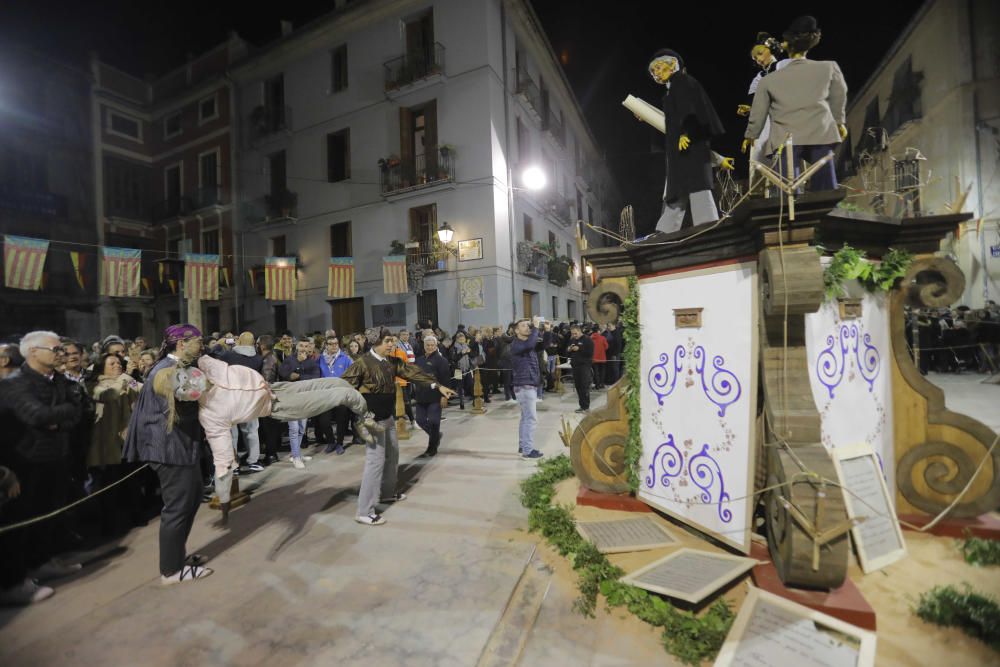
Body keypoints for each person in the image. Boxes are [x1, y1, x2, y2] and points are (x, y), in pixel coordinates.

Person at [122, 324, 212, 585]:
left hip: (182, 446)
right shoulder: (165, 370)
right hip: (169, 448)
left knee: (192, 498)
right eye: (197, 341)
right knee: (178, 507)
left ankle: (177, 557)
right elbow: (192, 395)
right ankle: (171, 571)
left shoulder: (176, 368)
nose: (201, 346)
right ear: (181, 344)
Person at [0, 331, 85, 605]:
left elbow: (78, 411)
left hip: (57, 456)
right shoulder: (15, 383)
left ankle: (42, 562)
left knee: (50, 513)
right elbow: (36, 414)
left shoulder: (59, 380)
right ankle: (13, 582)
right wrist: (62, 414)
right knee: (23, 521)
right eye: (55, 348)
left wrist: (57, 421)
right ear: (33, 352)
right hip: (27, 462)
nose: (60, 353)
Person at [341, 330, 454, 525]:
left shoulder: (392, 362)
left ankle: (387, 493)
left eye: (392, 342)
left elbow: (414, 373)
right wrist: (360, 415)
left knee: (392, 454)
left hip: (388, 418)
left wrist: (437, 386)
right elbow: (343, 388)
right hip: (372, 421)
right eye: (387, 342)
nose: (392, 345)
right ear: (375, 342)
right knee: (374, 462)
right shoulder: (362, 363)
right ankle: (364, 510)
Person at [743, 16, 847, 192]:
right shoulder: (829, 67)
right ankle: (826, 204)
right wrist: (839, 121)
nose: (758, 60)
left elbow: (759, 110)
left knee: (787, 185)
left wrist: (751, 133)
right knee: (825, 182)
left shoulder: (768, 80)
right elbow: (839, 93)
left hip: (786, 135)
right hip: (818, 130)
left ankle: (790, 205)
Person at [647, 48, 730, 234]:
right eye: (653, 72)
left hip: (690, 145)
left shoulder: (681, 82)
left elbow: (690, 110)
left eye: (659, 68)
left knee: (696, 186)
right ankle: (666, 230)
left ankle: (707, 226)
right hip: (682, 149)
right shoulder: (672, 90)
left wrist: (687, 133)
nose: (656, 74)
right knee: (679, 188)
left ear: (672, 64)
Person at [221, 332, 265, 473]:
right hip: (250, 399)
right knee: (252, 431)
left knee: (232, 433)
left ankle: (234, 465)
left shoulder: (228, 356)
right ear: (253, 343)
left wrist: (221, 344)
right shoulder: (258, 359)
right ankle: (254, 461)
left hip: (231, 398)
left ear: (238, 341)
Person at [278, 340, 321, 469]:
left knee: (302, 428)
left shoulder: (312, 362)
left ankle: (296, 454)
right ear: (297, 346)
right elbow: (285, 375)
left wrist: (298, 375)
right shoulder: (289, 360)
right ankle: (296, 457)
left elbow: (315, 377)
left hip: (305, 398)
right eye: (301, 345)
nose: (303, 348)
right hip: (291, 398)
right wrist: (300, 368)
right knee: (294, 428)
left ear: (309, 348)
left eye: (306, 346)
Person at [413, 335, 452, 457]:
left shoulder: (442, 361)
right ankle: (436, 436)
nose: (430, 347)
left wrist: (444, 397)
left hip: (435, 397)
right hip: (421, 396)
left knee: (434, 422)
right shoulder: (418, 360)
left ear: (436, 346)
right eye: (427, 345)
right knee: (420, 420)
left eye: (432, 345)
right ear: (424, 346)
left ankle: (432, 448)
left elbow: (446, 380)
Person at [510, 319, 544, 459]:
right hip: (524, 385)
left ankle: (523, 445)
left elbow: (543, 345)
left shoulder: (526, 344)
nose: (527, 327)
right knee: (531, 419)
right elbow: (531, 344)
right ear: (516, 331)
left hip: (528, 384)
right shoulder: (516, 344)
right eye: (523, 326)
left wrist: (546, 331)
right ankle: (527, 451)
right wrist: (535, 328)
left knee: (525, 418)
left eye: (528, 325)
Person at [317, 336, 353, 454]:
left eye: (336, 343)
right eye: (331, 344)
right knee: (324, 421)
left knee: (341, 420)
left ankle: (340, 444)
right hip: (325, 395)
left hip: (341, 395)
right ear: (326, 345)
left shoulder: (345, 358)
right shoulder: (320, 359)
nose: (334, 346)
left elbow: (353, 375)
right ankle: (331, 442)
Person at [567, 324, 594, 412]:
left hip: (584, 366)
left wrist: (579, 349)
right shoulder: (573, 340)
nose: (574, 335)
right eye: (572, 334)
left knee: (584, 386)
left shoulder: (587, 340)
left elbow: (590, 353)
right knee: (578, 386)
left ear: (579, 331)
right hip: (575, 366)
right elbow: (567, 352)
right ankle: (582, 406)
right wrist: (569, 349)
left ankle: (586, 407)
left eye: (575, 333)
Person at [591, 326, 609, 390]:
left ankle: (597, 385)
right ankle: (602, 384)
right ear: (598, 331)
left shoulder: (590, 338)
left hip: (594, 358)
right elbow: (606, 347)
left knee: (596, 372)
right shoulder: (602, 338)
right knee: (602, 371)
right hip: (602, 357)